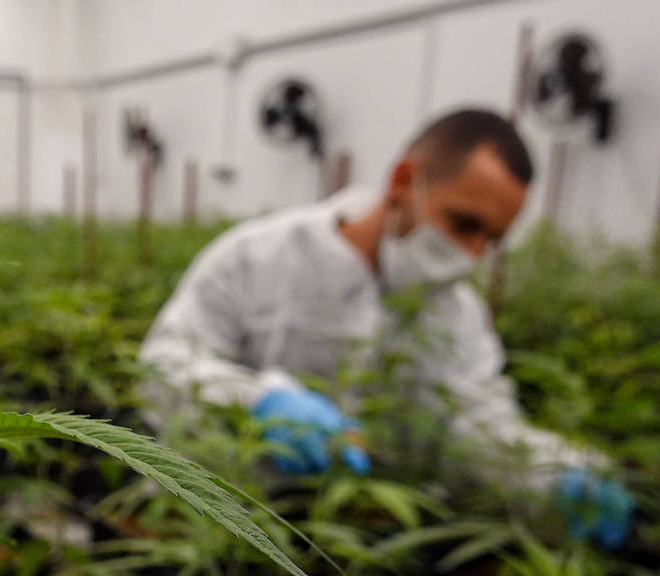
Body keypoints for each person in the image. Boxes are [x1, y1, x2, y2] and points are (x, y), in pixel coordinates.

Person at [139, 108, 633, 548]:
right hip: (221, 528)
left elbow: (476, 426)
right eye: (464, 224)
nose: (472, 254)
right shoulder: (260, 256)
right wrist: (257, 403)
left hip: (360, 547)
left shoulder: (458, 314)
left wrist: (551, 475)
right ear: (402, 182)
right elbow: (164, 366)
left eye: (492, 240)